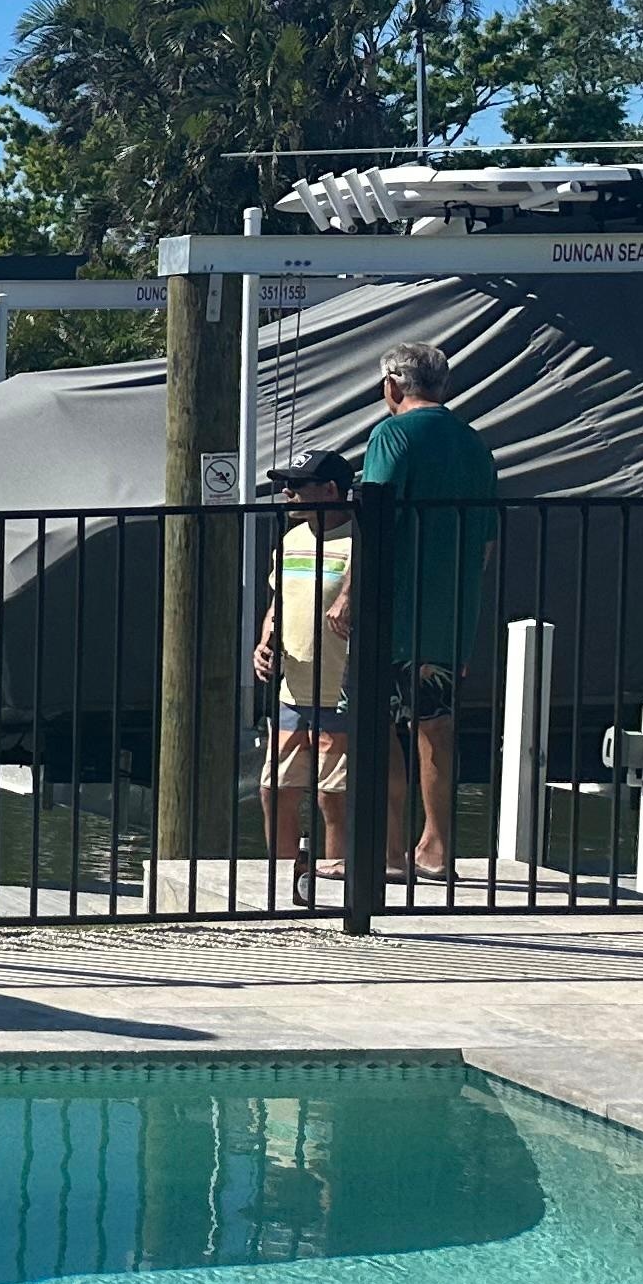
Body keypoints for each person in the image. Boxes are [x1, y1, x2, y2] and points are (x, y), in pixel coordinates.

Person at [349, 337, 500, 880]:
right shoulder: (473, 442)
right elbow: (486, 540)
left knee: (373, 723)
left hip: (393, 610)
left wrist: (348, 593)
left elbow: (376, 518)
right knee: (436, 725)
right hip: (451, 608)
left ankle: (388, 850)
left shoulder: (391, 434)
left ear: (391, 385)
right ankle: (436, 846)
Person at [250, 450, 361, 890]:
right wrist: (264, 642)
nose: (286, 492)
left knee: (333, 796)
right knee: (274, 788)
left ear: (330, 490)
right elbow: (278, 603)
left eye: (297, 485)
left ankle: (336, 884)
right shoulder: (291, 538)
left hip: (340, 691)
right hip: (291, 692)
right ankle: (282, 881)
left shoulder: (359, 541)